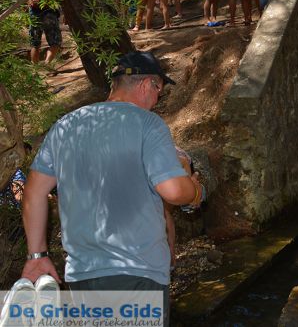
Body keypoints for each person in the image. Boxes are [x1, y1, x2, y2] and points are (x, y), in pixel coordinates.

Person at [21, 51, 203, 325]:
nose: (156, 101)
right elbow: (175, 192)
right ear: (147, 85)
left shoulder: (65, 126)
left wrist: (37, 255)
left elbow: (33, 192)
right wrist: (196, 190)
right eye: (159, 92)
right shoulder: (148, 124)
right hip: (137, 273)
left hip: (82, 276)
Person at [28, 0, 61, 64]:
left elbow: (28, 1)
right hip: (49, 16)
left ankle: (35, 69)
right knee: (55, 43)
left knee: (35, 44)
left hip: (34, 16)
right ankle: (47, 63)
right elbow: (58, 1)